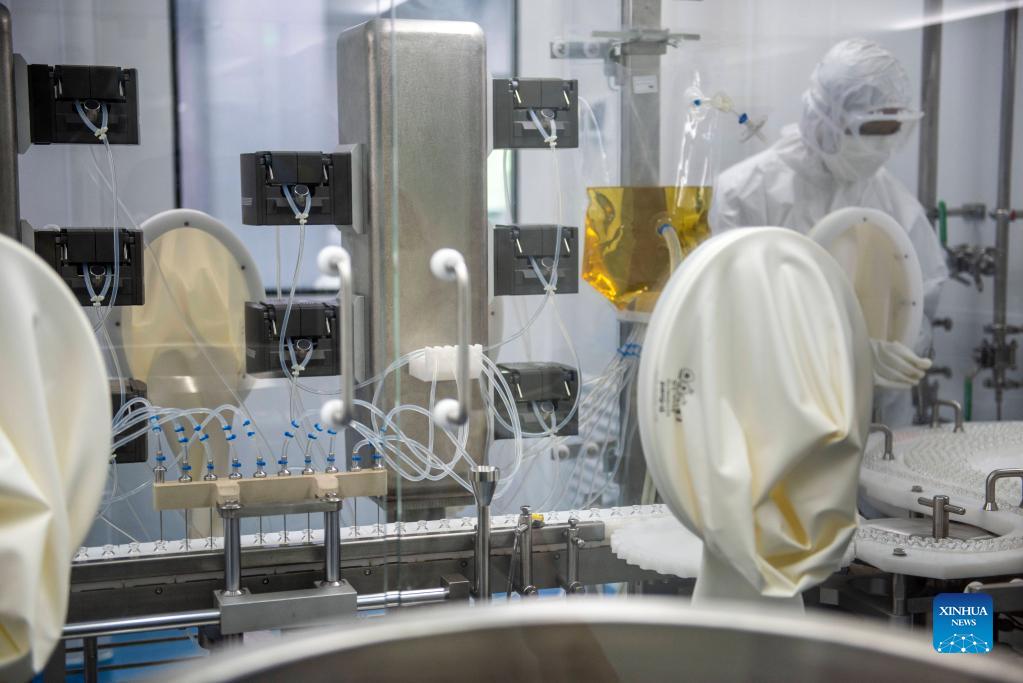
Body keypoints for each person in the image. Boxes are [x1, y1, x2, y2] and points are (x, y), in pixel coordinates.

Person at [711, 38, 948, 426]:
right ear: (823, 120)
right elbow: (734, 313)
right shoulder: (746, 193)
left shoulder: (892, 200)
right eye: (868, 128)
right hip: (772, 418)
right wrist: (847, 353)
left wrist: (900, 353)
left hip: (875, 423)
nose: (878, 146)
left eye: (890, 129)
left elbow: (921, 300)